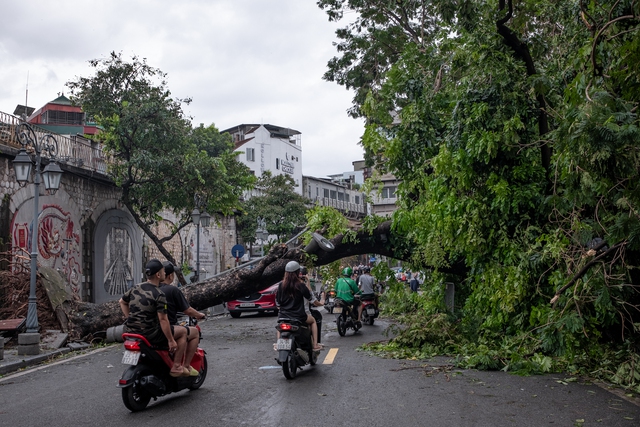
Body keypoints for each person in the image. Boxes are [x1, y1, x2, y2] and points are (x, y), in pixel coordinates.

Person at [119, 259, 189, 377]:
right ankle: (177, 367)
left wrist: (130, 318)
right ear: (158, 275)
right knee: (183, 332)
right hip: (149, 334)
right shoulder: (159, 294)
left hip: (130, 331)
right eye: (163, 271)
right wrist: (171, 340)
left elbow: (122, 301)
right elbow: (163, 320)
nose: (164, 274)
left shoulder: (135, 287)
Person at [160, 261, 206, 377]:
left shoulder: (148, 289)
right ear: (170, 275)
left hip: (148, 328)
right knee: (193, 332)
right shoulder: (172, 290)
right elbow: (187, 310)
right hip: (166, 329)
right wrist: (199, 315)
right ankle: (183, 366)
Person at [276, 261, 325, 351]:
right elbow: (310, 298)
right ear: (297, 273)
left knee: (280, 326)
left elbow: (278, 302)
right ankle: (315, 345)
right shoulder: (301, 285)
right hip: (299, 316)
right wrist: (308, 283)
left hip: (283, 316)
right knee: (313, 321)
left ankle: (278, 343)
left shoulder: (281, 285)